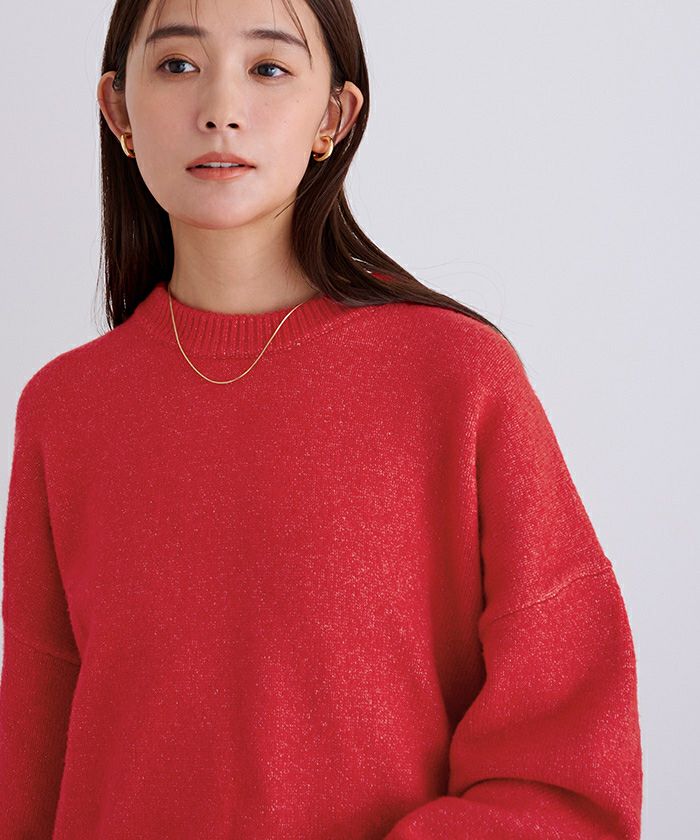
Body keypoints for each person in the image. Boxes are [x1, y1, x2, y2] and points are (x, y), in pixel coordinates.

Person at [0, 0, 643, 837]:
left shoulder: (456, 380)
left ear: (333, 117)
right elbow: (32, 767)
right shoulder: (64, 412)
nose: (220, 107)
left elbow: (569, 765)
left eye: (268, 68)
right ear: (118, 110)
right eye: (177, 65)